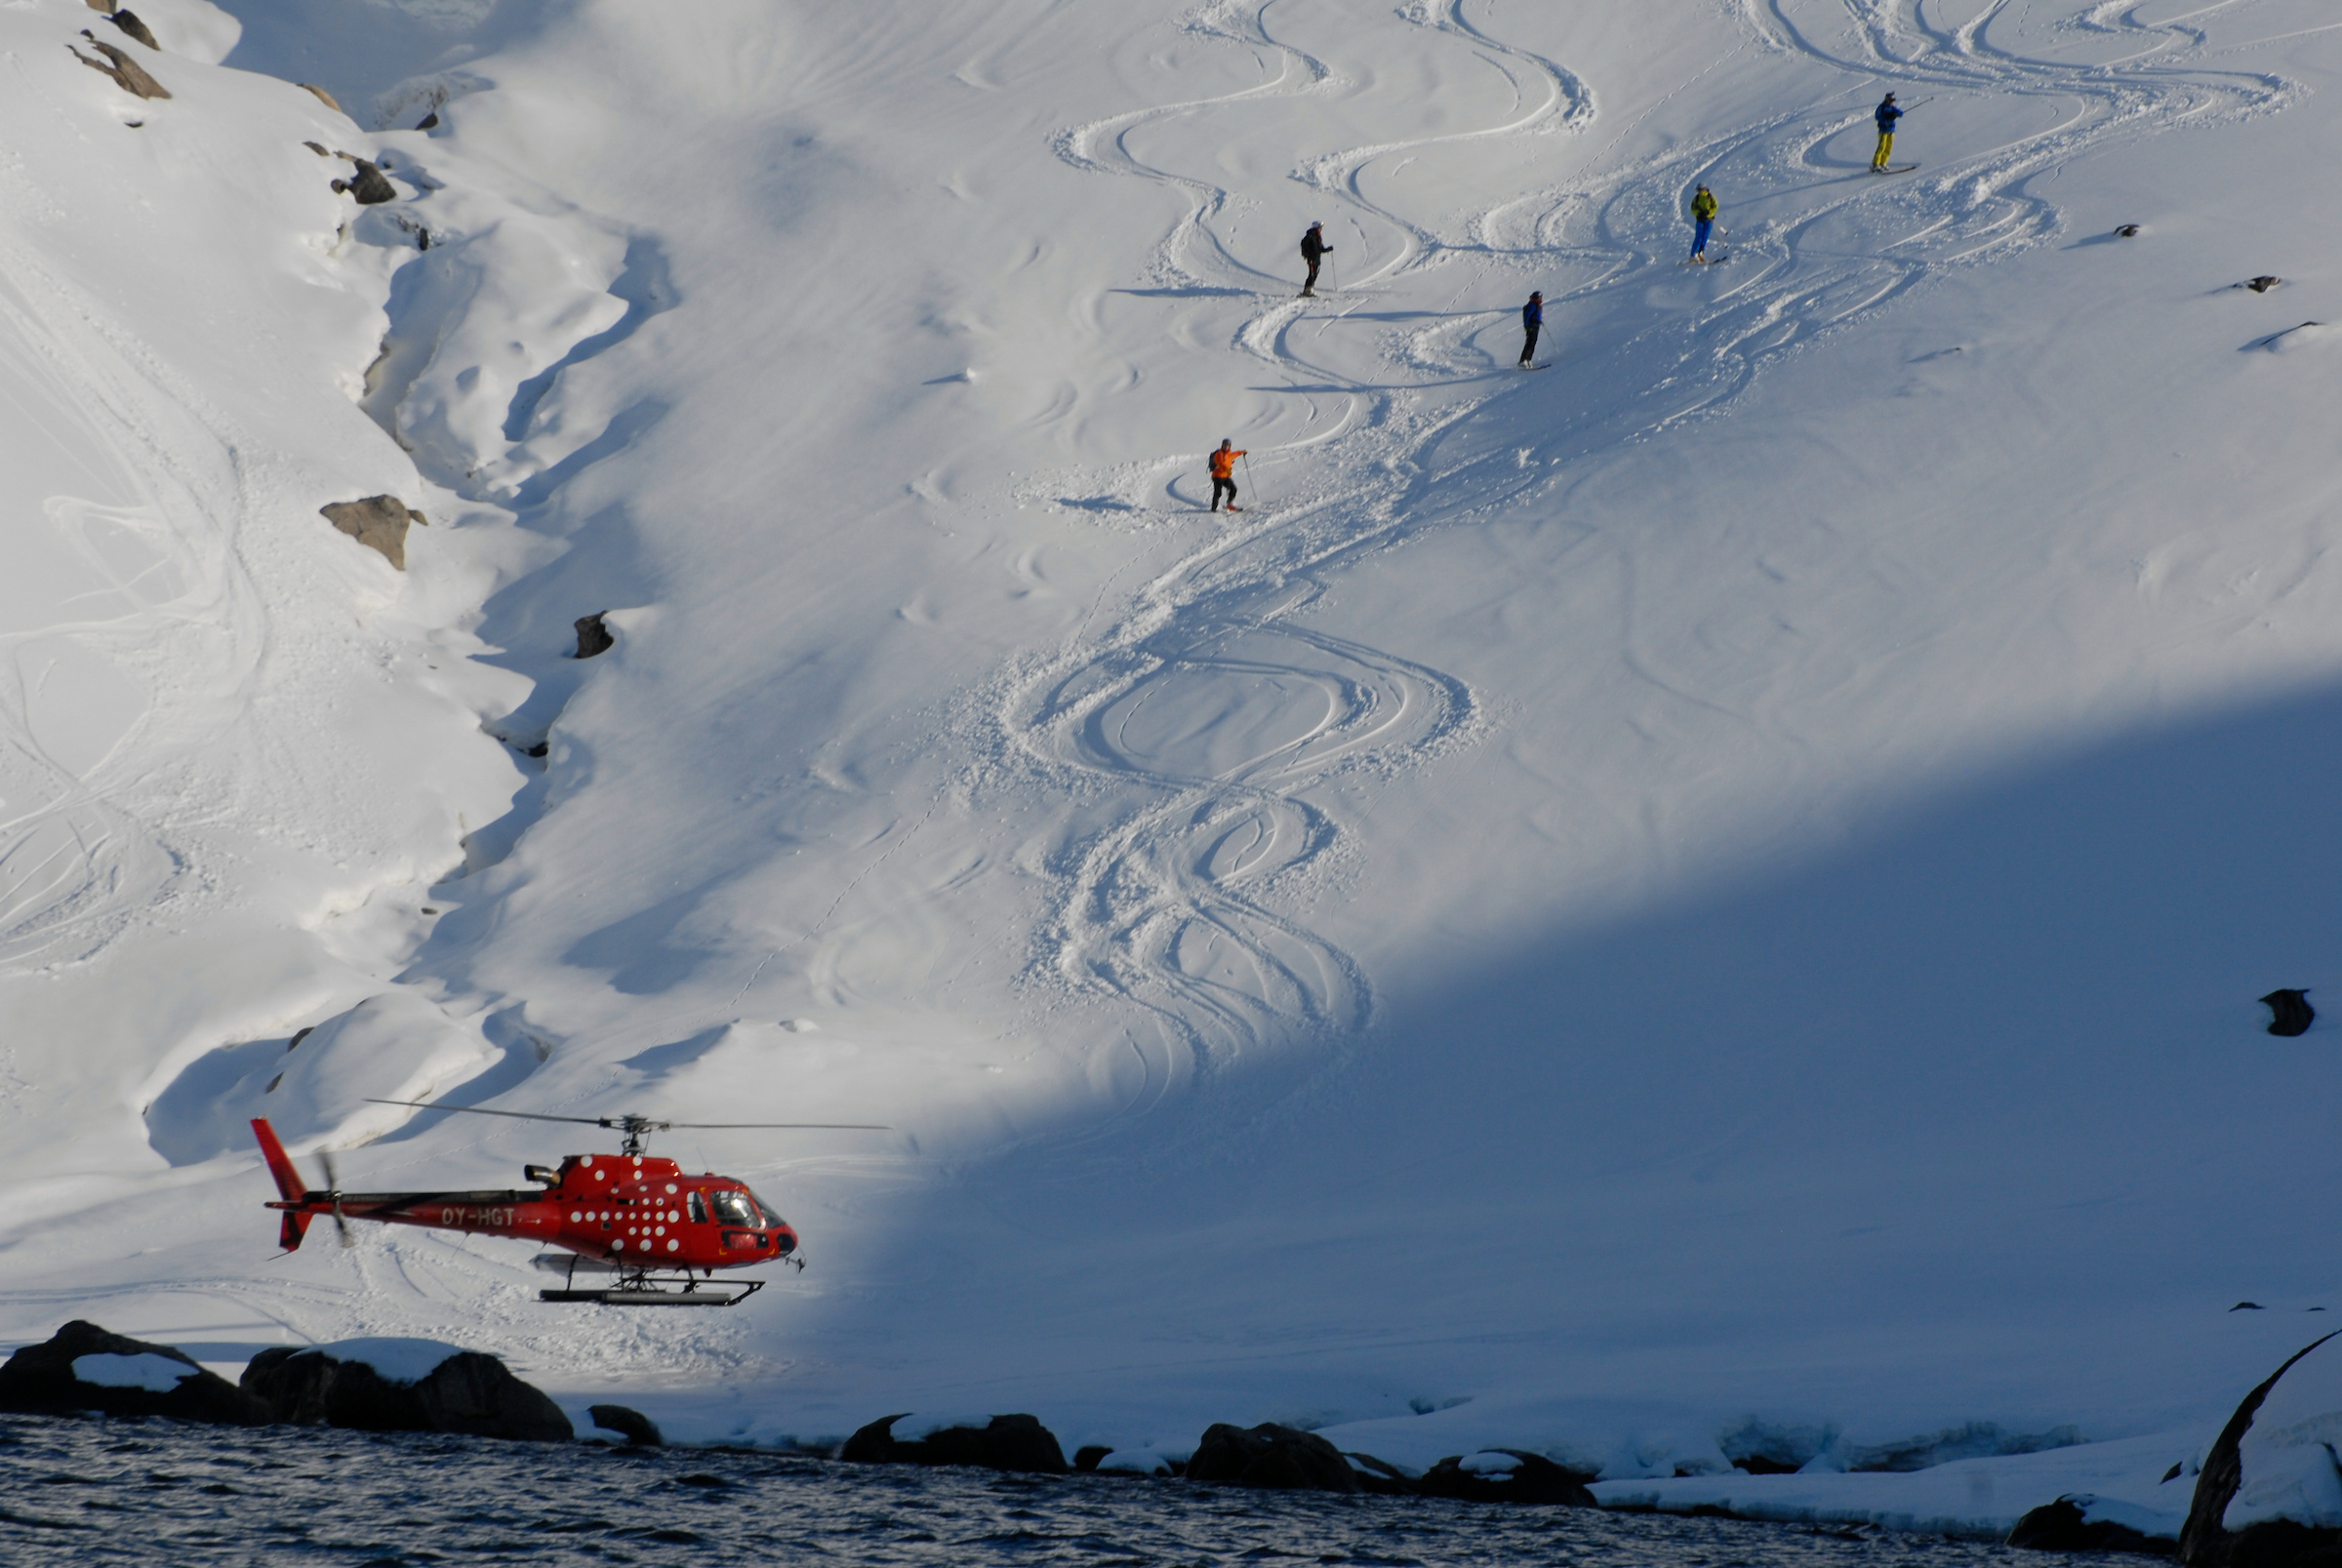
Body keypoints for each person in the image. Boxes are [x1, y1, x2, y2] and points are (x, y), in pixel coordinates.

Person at [1209, 439, 1246, 512]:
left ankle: (1229, 504)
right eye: (1225, 445)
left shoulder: (1230, 453)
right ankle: (1213, 509)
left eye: (1228, 445)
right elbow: (1220, 463)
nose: (1226, 447)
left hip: (1226, 476)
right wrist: (1226, 469)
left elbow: (1235, 454)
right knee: (1218, 493)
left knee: (1233, 489)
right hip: (1217, 476)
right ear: (1222, 445)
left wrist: (1241, 452)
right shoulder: (1219, 454)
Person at [1872, 93, 1903, 172]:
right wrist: (1886, 118)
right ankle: (1876, 164)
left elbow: (1901, 113)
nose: (1892, 102)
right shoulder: (1882, 107)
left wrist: (1896, 114)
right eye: (1890, 100)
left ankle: (1883, 163)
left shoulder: (1892, 107)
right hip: (1883, 130)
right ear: (1887, 100)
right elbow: (1877, 116)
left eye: (1893, 101)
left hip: (1891, 130)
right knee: (1882, 147)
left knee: (1888, 147)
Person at [1300, 221, 1332, 297]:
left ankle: (1309, 289)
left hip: (1317, 259)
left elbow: (1321, 249)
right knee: (1312, 274)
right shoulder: (1310, 236)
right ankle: (1307, 291)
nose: (1321, 229)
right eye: (1320, 228)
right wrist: (1308, 255)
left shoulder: (1318, 237)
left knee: (1315, 274)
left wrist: (1328, 249)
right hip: (1312, 259)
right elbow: (1304, 246)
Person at [1688, 184, 1718, 262]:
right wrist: (1699, 213)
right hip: (1700, 220)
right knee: (1698, 237)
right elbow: (1693, 208)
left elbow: (1715, 207)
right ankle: (1693, 255)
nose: (1699, 191)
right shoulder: (1696, 198)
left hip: (1709, 220)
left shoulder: (1710, 197)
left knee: (1705, 236)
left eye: (1700, 189)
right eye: (1698, 190)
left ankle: (1701, 253)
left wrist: (1709, 213)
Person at [1518, 292, 1543, 367]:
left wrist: (1539, 321)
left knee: (1532, 343)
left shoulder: (1536, 304)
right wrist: (1527, 326)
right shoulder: (1532, 305)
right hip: (1531, 327)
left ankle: (1528, 359)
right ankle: (1523, 361)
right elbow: (1527, 315)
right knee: (1529, 343)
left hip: (1535, 326)